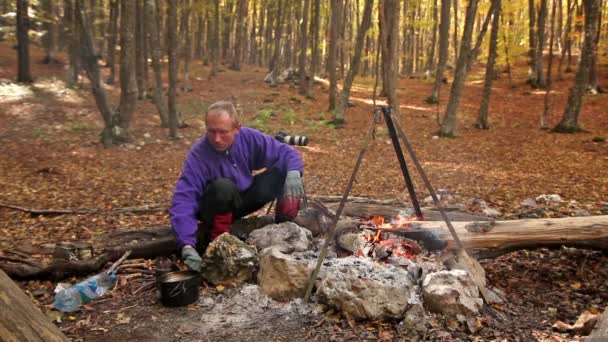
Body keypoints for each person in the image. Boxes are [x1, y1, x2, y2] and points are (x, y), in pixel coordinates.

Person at [169, 101, 305, 272]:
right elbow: (183, 200)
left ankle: (284, 226)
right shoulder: (199, 154)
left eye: (223, 132)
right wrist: (186, 244)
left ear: (237, 128)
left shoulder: (248, 137)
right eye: (212, 131)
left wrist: (294, 171)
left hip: (239, 200)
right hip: (213, 208)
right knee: (223, 186)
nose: (217, 139)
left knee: (283, 170)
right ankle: (218, 242)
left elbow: (285, 151)